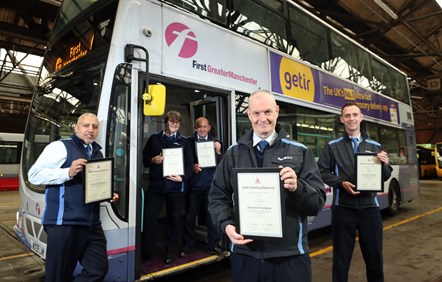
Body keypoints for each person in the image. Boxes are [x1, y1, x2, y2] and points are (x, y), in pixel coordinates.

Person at [208, 89, 326, 282]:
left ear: (277, 112)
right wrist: (227, 226)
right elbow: (217, 197)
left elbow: (317, 203)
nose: (262, 118)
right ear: (249, 115)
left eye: (268, 112)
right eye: (256, 113)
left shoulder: (300, 152)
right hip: (246, 255)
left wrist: (298, 187)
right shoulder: (233, 153)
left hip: (290, 256)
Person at [28, 113, 118, 282]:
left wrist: (106, 194)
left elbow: (90, 187)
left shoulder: (97, 153)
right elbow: (34, 175)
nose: (90, 130)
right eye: (86, 125)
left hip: (91, 224)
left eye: (94, 126)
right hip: (65, 224)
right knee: (58, 277)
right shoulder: (60, 147)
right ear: (76, 127)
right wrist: (67, 172)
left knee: (98, 269)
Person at [317, 101, 392, 282]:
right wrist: (341, 183)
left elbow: (385, 176)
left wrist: (386, 164)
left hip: (369, 209)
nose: (352, 119)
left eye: (355, 115)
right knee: (341, 259)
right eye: (347, 116)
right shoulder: (332, 146)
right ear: (341, 119)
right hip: (343, 208)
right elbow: (322, 172)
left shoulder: (375, 146)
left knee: (374, 258)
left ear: (361, 117)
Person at [142, 110, 193, 264]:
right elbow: (144, 159)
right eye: (172, 121)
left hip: (175, 188)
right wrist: (153, 160)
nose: (174, 124)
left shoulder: (185, 142)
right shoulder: (154, 138)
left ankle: (170, 252)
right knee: (149, 219)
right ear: (166, 123)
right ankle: (147, 252)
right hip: (155, 187)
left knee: (174, 220)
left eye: (177, 122)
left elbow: (189, 165)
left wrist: (182, 178)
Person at [180, 117, 223, 258]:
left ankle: (213, 245)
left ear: (209, 127)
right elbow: (183, 161)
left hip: (210, 186)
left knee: (211, 217)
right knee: (190, 217)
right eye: (200, 127)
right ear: (195, 128)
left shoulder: (216, 142)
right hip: (194, 186)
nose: (203, 129)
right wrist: (191, 167)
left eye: (205, 126)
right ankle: (188, 245)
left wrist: (218, 152)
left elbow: (223, 165)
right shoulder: (188, 142)